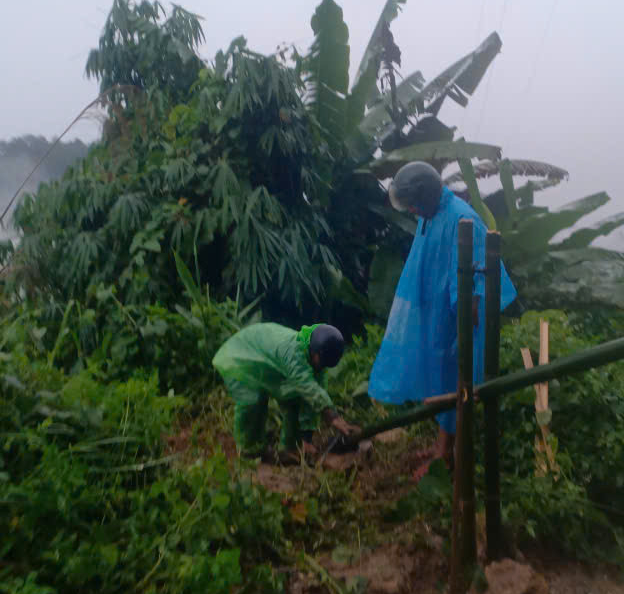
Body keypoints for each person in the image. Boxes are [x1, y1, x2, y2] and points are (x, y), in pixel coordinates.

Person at [368, 161, 517, 476]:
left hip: (459, 322)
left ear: (427, 196)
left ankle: (455, 460)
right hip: (438, 318)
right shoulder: (432, 213)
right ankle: (442, 448)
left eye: (413, 205)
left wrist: (465, 323)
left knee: (458, 383)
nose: (411, 211)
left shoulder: (463, 219)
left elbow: (480, 280)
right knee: (443, 382)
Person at [213, 322, 360, 463]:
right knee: (253, 400)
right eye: (321, 363)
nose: (321, 368)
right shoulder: (293, 352)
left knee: (294, 400)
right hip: (240, 356)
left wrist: (306, 440)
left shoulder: (320, 364)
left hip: (265, 365)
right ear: (315, 351)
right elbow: (307, 387)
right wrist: (332, 416)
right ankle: (249, 451)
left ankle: (290, 448)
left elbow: (312, 398)